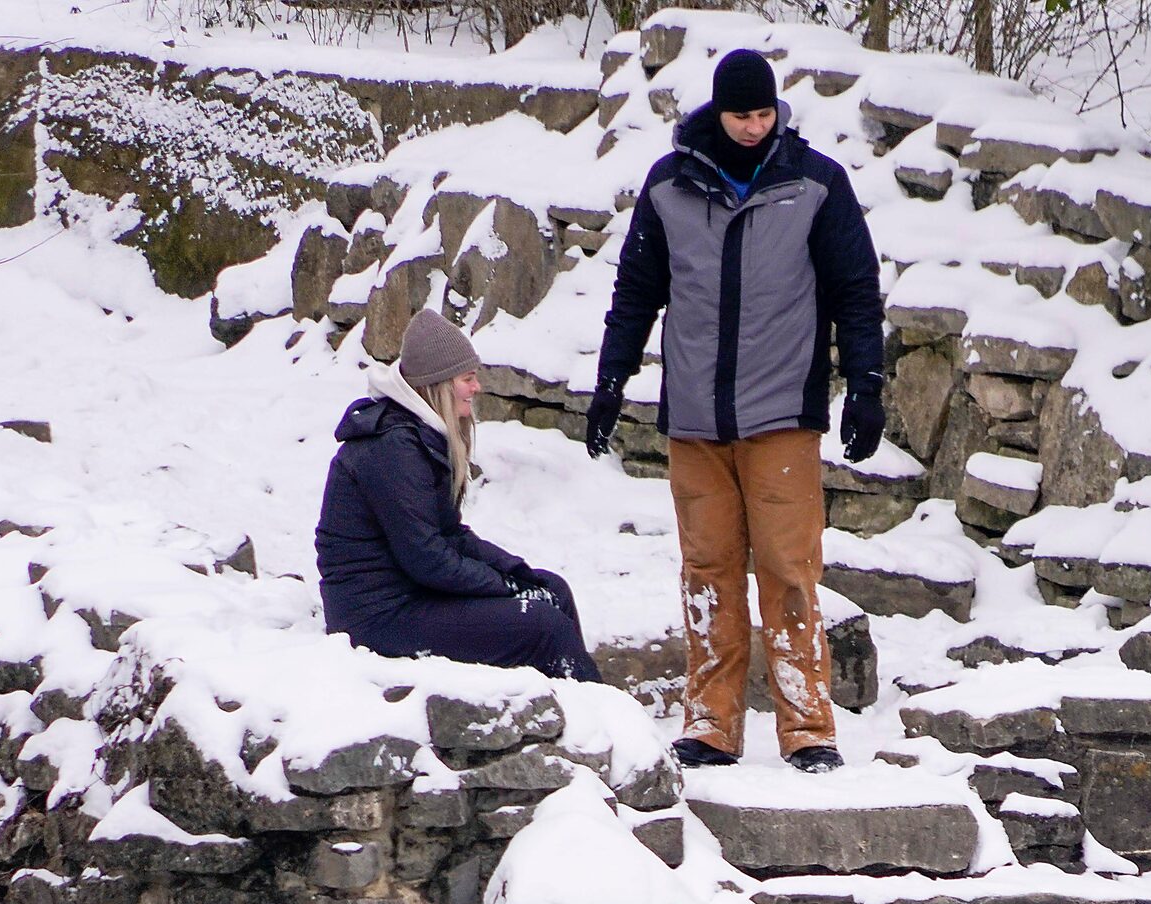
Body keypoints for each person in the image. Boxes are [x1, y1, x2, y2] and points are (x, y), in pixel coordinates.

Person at [586, 47, 886, 775]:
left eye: (763, 113)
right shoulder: (669, 186)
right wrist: (612, 378)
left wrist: (868, 383)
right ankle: (711, 724)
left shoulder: (815, 184)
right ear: (717, 113)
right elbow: (636, 289)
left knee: (787, 568)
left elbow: (855, 287)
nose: (753, 127)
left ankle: (809, 727)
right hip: (694, 414)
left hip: (782, 410)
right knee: (708, 571)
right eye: (740, 114)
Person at [316, 309, 598, 683]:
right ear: (439, 385)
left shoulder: (417, 434)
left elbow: (451, 534)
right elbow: (427, 558)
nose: (476, 388)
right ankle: (599, 724)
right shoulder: (392, 447)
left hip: (411, 595)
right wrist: (505, 589)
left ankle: (586, 714)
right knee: (541, 624)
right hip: (376, 619)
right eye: (467, 379)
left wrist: (518, 574)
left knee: (552, 591)